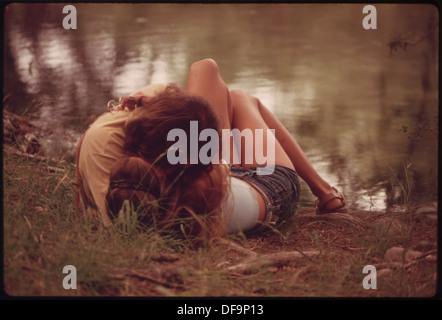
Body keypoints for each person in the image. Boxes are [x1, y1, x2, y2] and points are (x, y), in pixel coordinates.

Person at [74, 59, 347, 240]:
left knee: (233, 96)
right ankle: (324, 192)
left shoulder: (166, 183)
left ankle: (326, 193)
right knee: (239, 96)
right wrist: (160, 102)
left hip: (234, 181)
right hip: (272, 188)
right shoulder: (201, 183)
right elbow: (205, 69)